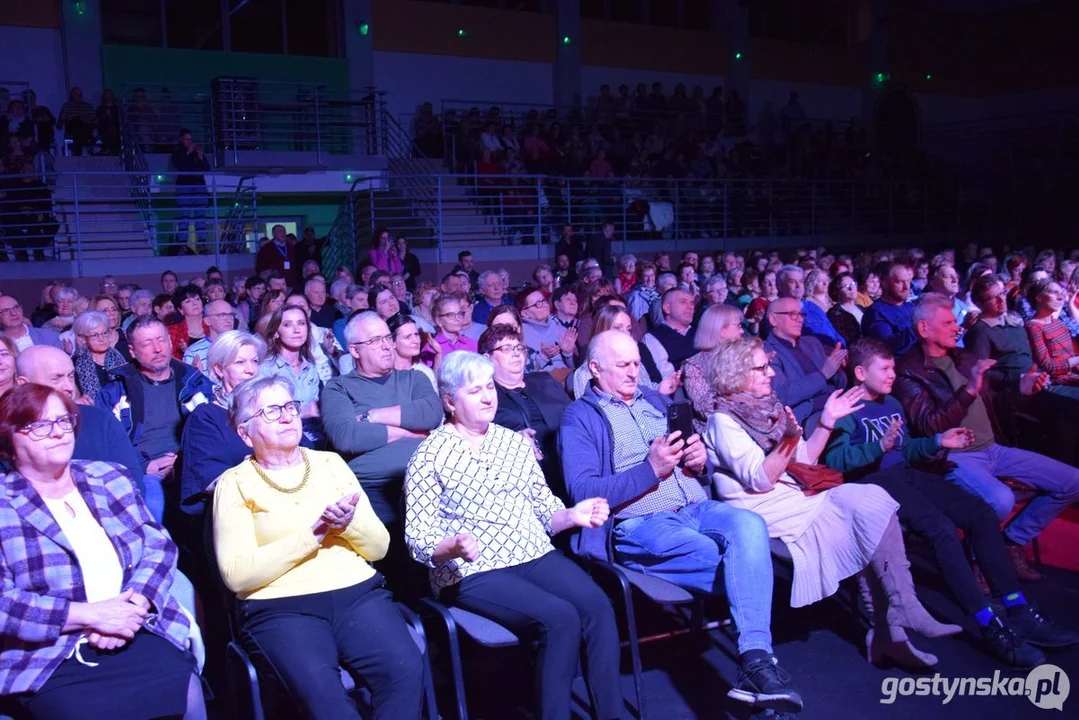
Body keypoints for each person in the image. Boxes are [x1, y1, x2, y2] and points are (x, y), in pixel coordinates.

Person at [560, 331, 802, 712]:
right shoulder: (580, 417)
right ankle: (760, 667)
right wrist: (651, 469)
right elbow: (583, 492)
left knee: (751, 527)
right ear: (594, 368)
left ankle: (754, 662)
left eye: (637, 363)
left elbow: (699, 469)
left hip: (694, 506)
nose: (633, 372)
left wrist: (698, 460)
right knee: (746, 561)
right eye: (622, 364)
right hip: (642, 523)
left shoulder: (657, 401)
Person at [705, 336, 962, 670]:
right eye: (761, 367)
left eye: (768, 365)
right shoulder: (723, 421)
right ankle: (894, 623)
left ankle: (897, 618)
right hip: (762, 511)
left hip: (793, 497)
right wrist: (790, 438)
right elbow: (761, 479)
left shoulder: (765, 407)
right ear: (736, 374)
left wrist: (826, 420)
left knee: (874, 504)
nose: (770, 373)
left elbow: (806, 460)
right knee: (867, 506)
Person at [823, 338, 1076, 666]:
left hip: (904, 475)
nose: (892, 374)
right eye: (884, 369)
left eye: (892, 367)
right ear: (859, 372)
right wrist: (876, 449)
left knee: (981, 514)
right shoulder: (845, 407)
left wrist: (937, 441)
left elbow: (905, 448)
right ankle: (989, 625)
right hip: (872, 485)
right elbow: (834, 461)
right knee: (940, 529)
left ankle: (1017, 607)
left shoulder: (891, 405)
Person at [405, 351, 623, 720]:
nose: (488, 396)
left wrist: (570, 515)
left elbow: (545, 512)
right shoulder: (429, 456)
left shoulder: (512, 443)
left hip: (533, 554)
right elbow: (417, 538)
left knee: (598, 606)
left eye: (489, 387)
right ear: (449, 401)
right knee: (560, 618)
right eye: (475, 391)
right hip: (474, 571)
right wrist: (452, 545)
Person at [213, 376, 424, 719]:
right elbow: (237, 575)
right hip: (281, 608)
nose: (286, 417)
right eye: (271, 411)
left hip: (357, 595)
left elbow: (379, 547)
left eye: (290, 407)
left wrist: (345, 524)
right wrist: (313, 535)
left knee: (405, 671)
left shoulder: (330, 464)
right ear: (245, 432)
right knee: (326, 701)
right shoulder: (235, 483)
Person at [0, 383, 204, 719]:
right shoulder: (6, 502)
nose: (58, 433)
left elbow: (159, 546)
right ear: (10, 437)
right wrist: (91, 616)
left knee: (186, 689)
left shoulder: (108, 478)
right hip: (52, 655)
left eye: (64, 421)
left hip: (138, 626)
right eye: (40, 425)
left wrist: (134, 605)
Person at [894, 292, 1079, 581]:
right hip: (954, 457)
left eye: (956, 321)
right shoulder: (909, 370)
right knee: (1001, 500)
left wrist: (1021, 390)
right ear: (924, 329)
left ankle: (1011, 541)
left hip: (995, 449)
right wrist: (968, 390)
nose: (957, 327)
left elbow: (997, 405)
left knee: (1071, 482)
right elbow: (930, 426)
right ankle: (979, 557)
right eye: (948, 322)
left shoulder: (964, 358)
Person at [321, 311, 443, 597]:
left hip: (430, 482)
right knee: (401, 567)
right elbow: (347, 436)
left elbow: (431, 413)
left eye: (387, 338)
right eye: (375, 341)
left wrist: (372, 416)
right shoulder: (338, 387)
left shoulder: (414, 378)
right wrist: (406, 430)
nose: (387, 345)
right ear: (354, 351)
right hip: (376, 491)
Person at [96, 317, 215, 523]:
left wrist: (184, 460)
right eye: (147, 343)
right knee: (153, 505)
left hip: (191, 462)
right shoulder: (115, 392)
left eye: (161, 340)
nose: (157, 349)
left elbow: (213, 432)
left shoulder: (194, 382)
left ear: (170, 342)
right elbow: (108, 444)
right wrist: (144, 466)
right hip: (145, 470)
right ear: (132, 351)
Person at [177, 331, 266, 523]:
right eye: (240, 362)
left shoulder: (271, 410)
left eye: (255, 361)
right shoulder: (206, 417)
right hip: (236, 514)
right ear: (218, 369)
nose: (250, 370)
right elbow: (209, 481)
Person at [480, 325, 571, 493]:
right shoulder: (486, 396)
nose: (516, 353)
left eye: (519, 347)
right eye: (506, 348)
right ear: (487, 358)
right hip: (526, 477)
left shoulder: (543, 380)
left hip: (571, 462)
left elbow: (574, 414)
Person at [764, 297, 847, 433]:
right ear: (773, 319)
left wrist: (838, 369)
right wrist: (823, 374)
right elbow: (783, 396)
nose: (800, 319)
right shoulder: (767, 352)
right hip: (807, 418)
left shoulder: (812, 343)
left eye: (801, 314)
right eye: (792, 314)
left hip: (835, 406)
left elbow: (839, 385)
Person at [258, 304, 323, 445]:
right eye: (288, 325)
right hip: (282, 440)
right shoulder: (266, 369)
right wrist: (302, 413)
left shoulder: (310, 366)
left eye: (301, 323)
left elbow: (316, 409)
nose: (297, 330)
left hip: (315, 438)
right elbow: (264, 416)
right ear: (276, 333)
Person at [682, 303, 744, 434]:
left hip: (751, 425)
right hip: (719, 432)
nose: (742, 331)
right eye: (738, 326)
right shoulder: (694, 365)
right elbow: (705, 409)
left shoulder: (744, 357)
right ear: (721, 330)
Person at [1025, 277, 1079, 385]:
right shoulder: (1033, 327)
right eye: (1054, 293)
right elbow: (1048, 367)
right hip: (1057, 382)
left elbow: (1072, 357)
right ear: (1039, 298)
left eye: (1060, 293)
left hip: (1074, 377)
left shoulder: (1059, 323)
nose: (1060, 297)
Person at [640, 287, 696, 381]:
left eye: (692, 303)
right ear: (667, 308)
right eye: (683, 302)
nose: (690, 307)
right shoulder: (653, 338)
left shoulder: (700, 331)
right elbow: (665, 376)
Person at [861, 262, 917, 355]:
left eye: (908, 281)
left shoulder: (910, 307)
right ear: (885, 283)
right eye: (900, 282)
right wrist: (916, 329)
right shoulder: (876, 313)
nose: (906, 287)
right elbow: (886, 346)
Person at [72, 310, 126, 404]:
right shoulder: (75, 364)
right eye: (94, 335)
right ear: (83, 338)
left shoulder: (120, 356)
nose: (101, 339)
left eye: (104, 333)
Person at [170, 129, 211, 252]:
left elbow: (207, 168)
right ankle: (183, 244)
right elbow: (179, 164)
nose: (189, 141)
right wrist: (188, 152)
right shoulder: (177, 151)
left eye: (190, 139)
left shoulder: (196, 151)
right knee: (184, 216)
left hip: (199, 185)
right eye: (187, 139)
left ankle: (202, 244)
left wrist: (200, 156)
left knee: (201, 216)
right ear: (181, 139)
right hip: (184, 185)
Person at [419, 294, 477, 368]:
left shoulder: (472, 344)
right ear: (439, 321)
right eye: (451, 315)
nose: (458, 319)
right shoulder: (430, 348)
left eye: (460, 313)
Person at [387, 312, 437, 392]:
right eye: (407, 337)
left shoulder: (425, 373)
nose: (416, 341)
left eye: (416, 334)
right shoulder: (384, 375)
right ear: (392, 342)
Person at [182, 299, 236, 372]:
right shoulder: (194, 352)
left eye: (231, 315)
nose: (229, 320)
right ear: (207, 321)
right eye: (222, 315)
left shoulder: (244, 344)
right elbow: (189, 382)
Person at [168, 284, 206, 361]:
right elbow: (171, 360)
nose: (194, 303)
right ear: (180, 309)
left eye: (197, 299)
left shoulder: (212, 325)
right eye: (188, 301)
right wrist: (185, 354)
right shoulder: (173, 331)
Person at [827, 272, 862, 347]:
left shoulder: (862, 309)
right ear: (837, 292)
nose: (851, 288)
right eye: (846, 286)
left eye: (853, 283)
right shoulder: (835, 314)